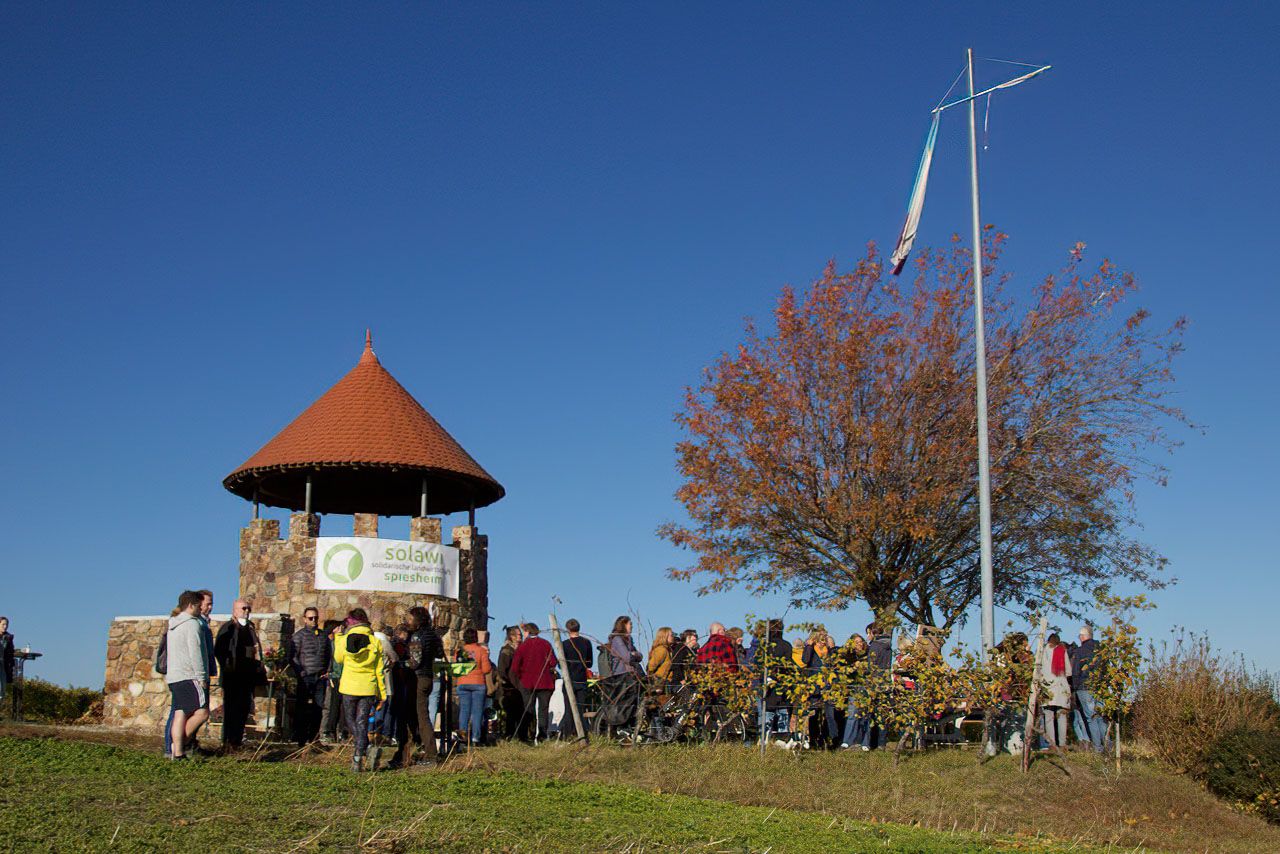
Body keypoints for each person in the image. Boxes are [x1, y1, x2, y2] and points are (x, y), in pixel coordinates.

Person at [333, 608, 386, 771]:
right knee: (362, 722)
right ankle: (360, 756)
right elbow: (379, 670)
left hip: (349, 686)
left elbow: (338, 658)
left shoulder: (344, 638)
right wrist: (382, 693)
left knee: (351, 722)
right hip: (368, 687)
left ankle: (363, 752)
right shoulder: (375, 641)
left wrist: (338, 637)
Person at [166, 591, 211, 760]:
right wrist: (201, 677)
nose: (202, 609)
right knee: (202, 712)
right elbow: (196, 653)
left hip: (175, 676)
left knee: (180, 713)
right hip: (189, 675)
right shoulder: (192, 625)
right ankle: (178, 745)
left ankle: (177, 753)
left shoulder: (173, 624)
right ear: (191, 605)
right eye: (199, 606)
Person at [214, 598, 261, 750]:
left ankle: (236, 741)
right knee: (231, 711)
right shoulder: (228, 628)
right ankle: (227, 742)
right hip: (232, 677)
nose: (246, 612)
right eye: (243, 609)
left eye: (248, 609)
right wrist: (229, 667)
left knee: (243, 710)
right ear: (234, 611)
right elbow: (220, 651)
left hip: (246, 677)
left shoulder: (250, 629)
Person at [401, 606, 444, 765]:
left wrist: (401, 664)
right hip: (429, 677)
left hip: (418, 678)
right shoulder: (433, 635)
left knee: (422, 717)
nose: (408, 622)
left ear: (417, 621)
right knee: (421, 714)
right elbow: (439, 653)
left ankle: (431, 753)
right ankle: (420, 745)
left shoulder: (417, 637)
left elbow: (415, 662)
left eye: (410, 619)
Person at [290, 607, 330, 746]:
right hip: (305, 678)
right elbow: (293, 657)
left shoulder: (324, 636)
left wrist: (327, 671)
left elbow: (329, 655)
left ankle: (314, 738)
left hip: (320, 678)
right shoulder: (298, 636)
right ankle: (301, 738)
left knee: (318, 708)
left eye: (316, 618)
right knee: (302, 708)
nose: (314, 621)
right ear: (304, 619)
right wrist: (301, 673)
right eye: (311, 618)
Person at [509, 622, 556, 742]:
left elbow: (515, 667)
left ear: (527, 632)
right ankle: (542, 735)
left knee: (528, 709)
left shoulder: (523, 646)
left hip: (527, 682)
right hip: (545, 682)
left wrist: (521, 678)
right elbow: (553, 662)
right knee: (543, 710)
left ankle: (524, 736)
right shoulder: (546, 644)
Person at [1070, 625, 1107, 753]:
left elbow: (1075, 671)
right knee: (1101, 716)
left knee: (1091, 718)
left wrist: (1075, 688)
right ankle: (1107, 743)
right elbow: (1105, 668)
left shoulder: (1079, 652)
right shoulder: (1101, 650)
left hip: (1084, 687)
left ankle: (1098, 748)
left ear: (1082, 636)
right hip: (1100, 686)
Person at [455, 627, 493, 746]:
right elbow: (487, 669)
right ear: (476, 637)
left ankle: (462, 739)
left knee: (464, 711)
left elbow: (458, 668)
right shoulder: (481, 651)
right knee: (477, 712)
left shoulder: (460, 651)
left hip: (463, 682)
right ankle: (475, 739)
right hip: (478, 683)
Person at [756, 619, 794, 740]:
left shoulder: (764, 646)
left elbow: (758, 666)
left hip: (767, 690)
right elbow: (788, 667)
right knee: (783, 721)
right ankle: (783, 744)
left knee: (766, 722)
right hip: (782, 689)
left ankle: (764, 743)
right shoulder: (786, 646)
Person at [802, 630, 839, 749]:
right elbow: (805, 660)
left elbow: (836, 664)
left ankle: (833, 740)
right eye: (820, 640)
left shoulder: (829, 651)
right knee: (814, 714)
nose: (823, 643)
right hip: (815, 688)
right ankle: (814, 740)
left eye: (824, 640)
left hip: (828, 687)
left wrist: (832, 648)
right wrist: (808, 645)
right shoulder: (811, 650)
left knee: (830, 715)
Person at [862, 624, 893, 750]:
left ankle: (870, 743)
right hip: (885, 682)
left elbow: (871, 666)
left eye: (868, 633)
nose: (867, 636)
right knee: (882, 714)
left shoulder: (874, 646)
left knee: (870, 714)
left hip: (874, 683)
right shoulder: (888, 646)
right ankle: (882, 743)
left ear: (873, 633)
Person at [1040, 633, 1073, 751]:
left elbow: (1038, 670)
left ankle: (1052, 744)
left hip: (1047, 688)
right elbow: (1069, 671)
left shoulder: (1042, 651)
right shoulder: (1062, 651)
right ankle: (1062, 744)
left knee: (1048, 717)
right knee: (1061, 716)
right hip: (1061, 687)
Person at [560, 619, 593, 738]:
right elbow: (589, 663)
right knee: (581, 709)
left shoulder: (564, 644)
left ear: (567, 629)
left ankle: (568, 734)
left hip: (569, 680)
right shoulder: (586, 643)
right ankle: (582, 734)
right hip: (581, 679)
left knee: (568, 709)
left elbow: (561, 665)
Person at [839, 633, 870, 750]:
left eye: (860, 641)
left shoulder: (868, 655)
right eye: (856, 642)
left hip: (866, 688)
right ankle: (847, 741)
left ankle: (865, 743)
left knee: (865, 716)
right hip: (854, 688)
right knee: (852, 714)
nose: (859, 644)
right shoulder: (849, 657)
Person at [318, 619, 347, 743]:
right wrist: (330, 674)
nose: (341, 629)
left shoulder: (337, 642)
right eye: (338, 627)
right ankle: (328, 732)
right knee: (331, 706)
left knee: (338, 707)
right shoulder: (331, 643)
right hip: (334, 677)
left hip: (337, 676)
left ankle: (337, 732)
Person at [495, 625, 524, 739]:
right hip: (510, 687)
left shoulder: (519, 650)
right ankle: (509, 736)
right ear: (512, 636)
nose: (520, 636)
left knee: (520, 712)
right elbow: (502, 670)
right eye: (518, 634)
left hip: (519, 686)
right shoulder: (507, 651)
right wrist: (506, 684)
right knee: (511, 714)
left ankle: (519, 736)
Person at [0, 617, 13, 716]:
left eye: (6, 624)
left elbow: (10, 651)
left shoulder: (8, 637)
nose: (5, 626)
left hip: (3, 665)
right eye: (3, 624)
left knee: (2, 691)